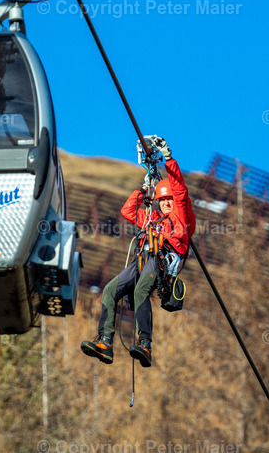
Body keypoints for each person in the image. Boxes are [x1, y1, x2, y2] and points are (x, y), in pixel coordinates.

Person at [80, 137, 196, 367]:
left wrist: (169, 158)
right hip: (142, 261)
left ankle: (145, 344)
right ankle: (105, 342)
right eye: (162, 201)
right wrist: (143, 192)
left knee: (141, 291)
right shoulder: (152, 219)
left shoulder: (182, 218)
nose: (166, 204)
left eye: (169, 200)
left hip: (160, 261)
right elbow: (127, 212)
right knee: (110, 291)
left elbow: (180, 189)